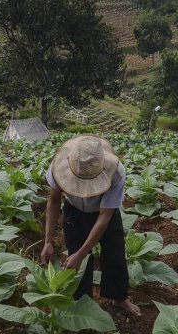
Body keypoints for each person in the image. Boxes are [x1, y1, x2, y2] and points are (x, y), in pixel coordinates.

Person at [41, 135, 141, 317]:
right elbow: (54, 201)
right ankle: (82, 303)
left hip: (104, 212)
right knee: (76, 262)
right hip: (74, 211)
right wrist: (48, 240)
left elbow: (105, 217)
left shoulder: (116, 172)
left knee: (115, 255)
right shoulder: (58, 167)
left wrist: (82, 254)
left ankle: (119, 297)